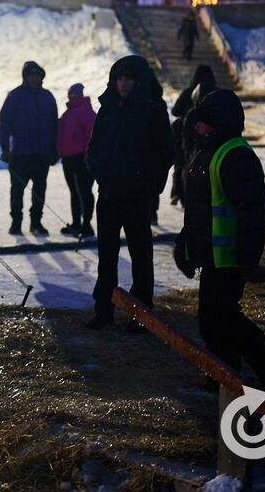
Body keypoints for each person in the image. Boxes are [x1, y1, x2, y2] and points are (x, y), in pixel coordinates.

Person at [174, 89, 265, 399]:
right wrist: (186, 246)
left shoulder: (234, 154)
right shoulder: (208, 153)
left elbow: (254, 211)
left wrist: (247, 258)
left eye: (203, 122)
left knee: (222, 318)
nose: (197, 128)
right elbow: (199, 209)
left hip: (229, 258)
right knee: (212, 321)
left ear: (219, 123)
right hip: (213, 257)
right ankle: (224, 377)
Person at [85, 56, 174, 332]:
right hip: (110, 194)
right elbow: (94, 148)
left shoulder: (153, 110)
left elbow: (165, 153)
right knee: (107, 255)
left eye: (128, 79)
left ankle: (140, 313)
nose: (123, 84)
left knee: (141, 255)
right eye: (119, 79)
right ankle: (103, 310)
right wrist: (100, 172)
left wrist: (145, 182)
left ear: (138, 81)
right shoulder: (108, 109)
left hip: (136, 196)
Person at [0, 61, 58, 236]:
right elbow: (4, 122)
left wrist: (55, 150)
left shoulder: (48, 97)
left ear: (41, 76)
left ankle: (36, 223)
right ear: (25, 77)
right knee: (17, 190)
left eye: (36, 74)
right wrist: (5, 149)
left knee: (39, 190)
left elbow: (55, 125)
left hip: (42, 154)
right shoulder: (15, 96)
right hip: (20, 155)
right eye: (30, 75)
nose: (33, 78)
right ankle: (16, 223)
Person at [170, 66, 217, 205]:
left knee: (181, 164)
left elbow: (175, 111)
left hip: (187, 135)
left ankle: (177, 191)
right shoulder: (216, 93)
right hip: (209, 136)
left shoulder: (187, 93)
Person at [56, 83, 96, 238]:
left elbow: (91, 135)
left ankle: (87, 225)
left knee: (84, 192)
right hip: (68, 158)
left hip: (82, 158)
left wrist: (88, 155)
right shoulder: (69, 112)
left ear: (81, 95)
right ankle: (76, 224)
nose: (73, 96)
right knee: (74, 192)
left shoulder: (86, 111)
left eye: (76, 94)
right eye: (71, 93)